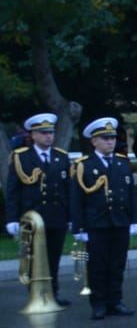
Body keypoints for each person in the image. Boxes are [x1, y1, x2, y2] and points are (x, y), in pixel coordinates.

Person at [69, 117, 137, 319]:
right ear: (94, 142)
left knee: (117, 264)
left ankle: (115, 301)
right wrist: (79, 228)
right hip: (96, 224)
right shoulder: (84, 165)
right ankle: (99, 303)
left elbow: (131, 194)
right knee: (98, 266)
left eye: (112, 138)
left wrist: (134, 220)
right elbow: (77, 199)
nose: (110, 141)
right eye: (105, 138)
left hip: (119, 221)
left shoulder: (122, 163)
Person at [6, 112, 75, 305]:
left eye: (51, 133)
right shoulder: (22, 158)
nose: (48, 136)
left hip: (56, 216)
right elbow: (13, 191)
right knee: (34, 258)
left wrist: (70, 217)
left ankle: (53, 293)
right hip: (32, 216)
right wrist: (12, 218)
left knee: (53, 258)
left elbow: (67, 190)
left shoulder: (61, 157)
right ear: (33, 135)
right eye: (43, 133)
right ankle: (36, 294)